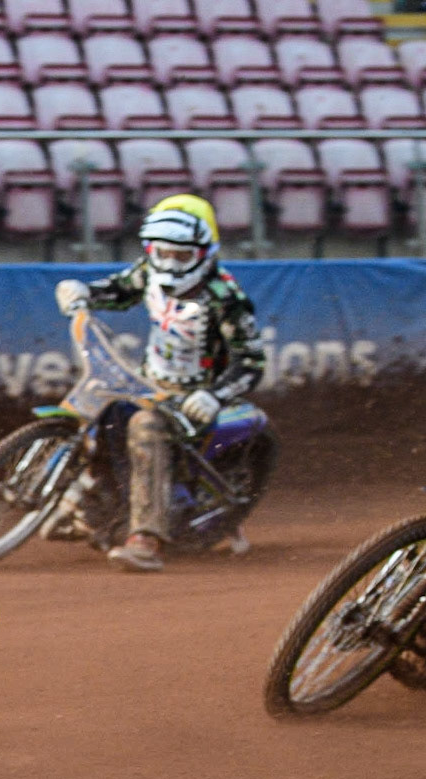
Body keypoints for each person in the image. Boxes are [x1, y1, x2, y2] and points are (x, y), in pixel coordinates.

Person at [54, 195, 266, 573]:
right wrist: (85, 292)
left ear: (203, 253)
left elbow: (251, 362)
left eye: (181, 256)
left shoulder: (225, 298)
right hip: (150, 383)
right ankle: (87, 503)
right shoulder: (149, 273)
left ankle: (145, 539)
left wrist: (214, 395)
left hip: (195, 399)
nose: (169, 263)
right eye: (161, 252)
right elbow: (119, 289)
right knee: (103, 411)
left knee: (145, 428)